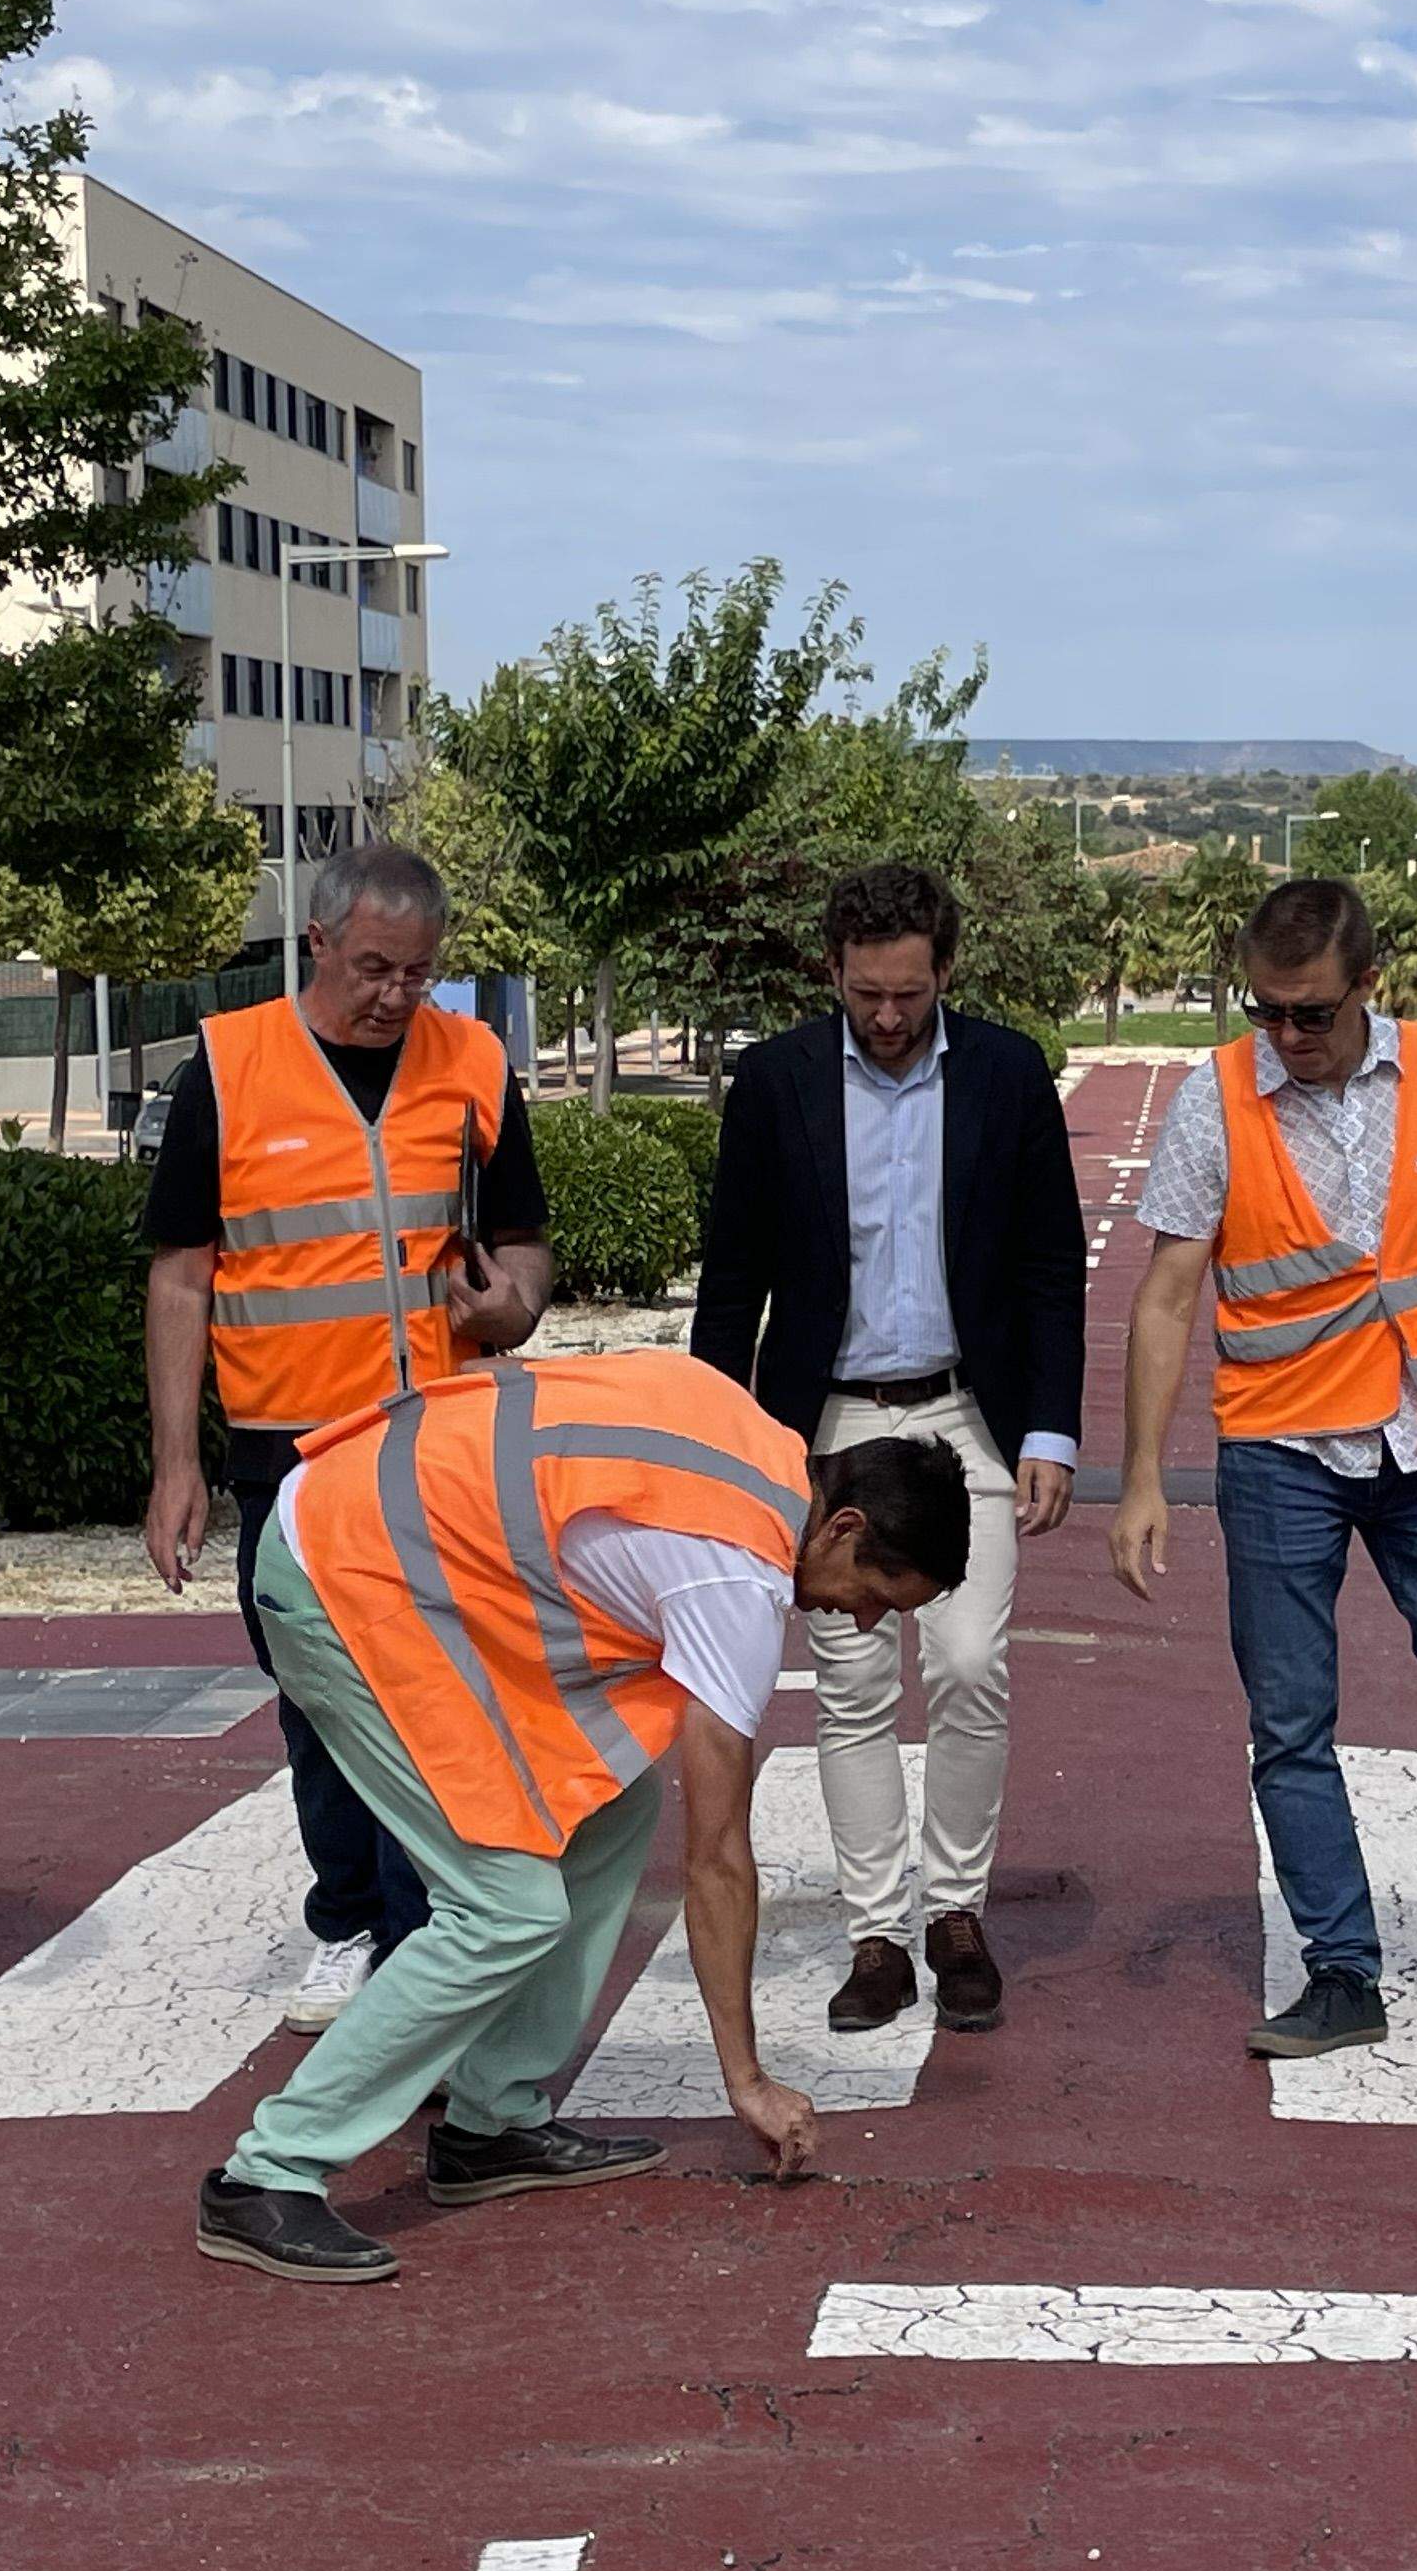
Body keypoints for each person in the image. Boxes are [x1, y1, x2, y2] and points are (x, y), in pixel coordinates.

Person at [190, 1351, 971, 2282]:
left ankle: (493, 2122)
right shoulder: (735, 1577)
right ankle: (267, 2174)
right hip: (346, 1580)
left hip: (406, 1560)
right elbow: (718, 1858)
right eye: (877, 1597)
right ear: (843, 1526)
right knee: (501, 1907)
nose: (864, 1622)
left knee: (613, 1798)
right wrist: (747, 2082)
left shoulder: (759, 1445)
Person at [1109, 878, 1417, 2061]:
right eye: (1266, 1012)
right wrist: (1143, 1475)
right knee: (1292, 1723)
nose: (1286, 1037)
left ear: (1369, 986)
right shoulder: (1217, 1098)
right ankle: (1341, 1965)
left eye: (1309, 1013)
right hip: (1281, 1451)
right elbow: (1163, 1297)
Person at [141, 840, 554, 2036]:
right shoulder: (227, 1066)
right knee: (320, 1702)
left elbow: (525, 1243)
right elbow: (180, 1279)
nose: (395, 996)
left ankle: (426, 1934)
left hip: (439, 1445)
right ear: (314, 944)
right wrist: (179, 1465)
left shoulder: (472, 1062)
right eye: (374, 968)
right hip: (293, 1457)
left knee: (441, 1702)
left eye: (419, 975)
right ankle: (346, 1921)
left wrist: (511, 1306)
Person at [690, 861, 1086, 2036]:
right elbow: (733, 1281)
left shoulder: (1011, 1074)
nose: (890, 1018)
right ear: (834, 974)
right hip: (828, 1423)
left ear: (945, 972)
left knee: (967, 1662)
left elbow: (1049, 1266)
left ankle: (954, 1910)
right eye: (867, 995)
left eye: (910, 993)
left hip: (971, 1414)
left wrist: (1051, 1428)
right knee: (853, 1684)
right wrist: (721, 1443)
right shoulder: (775, 1084)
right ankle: (877, 1933)